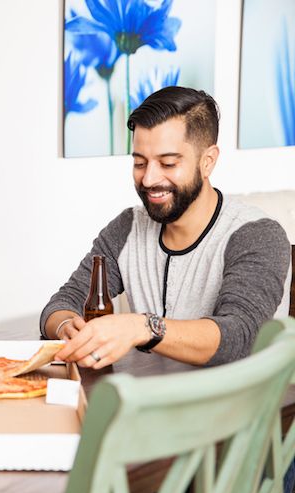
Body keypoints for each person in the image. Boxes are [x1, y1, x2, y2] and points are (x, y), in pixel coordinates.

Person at [42, 86, 290, 368]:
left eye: (168, 163)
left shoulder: (257, 236)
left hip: (228, 409)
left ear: (207, 161)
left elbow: (240, 336)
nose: (148, 179)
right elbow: (63, 301)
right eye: (139, 162)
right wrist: (66, 326)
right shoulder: (127, 228)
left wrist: (143, 327)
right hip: (133, 405)